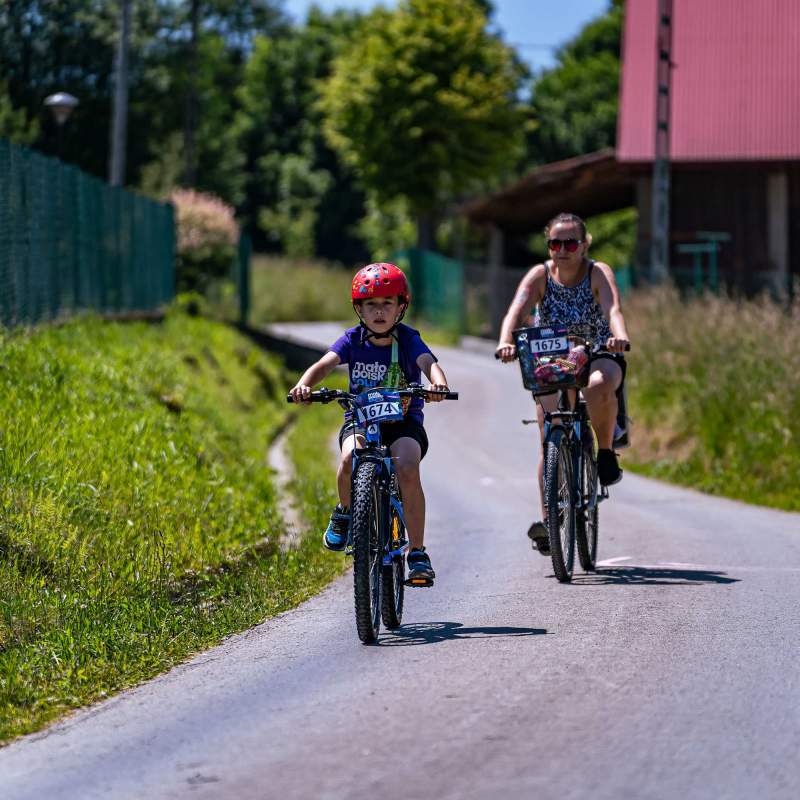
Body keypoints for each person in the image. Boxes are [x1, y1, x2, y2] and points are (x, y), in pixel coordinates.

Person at [289, 262, 450, 585]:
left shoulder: (407, 339)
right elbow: (324, 364)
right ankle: (345, 512)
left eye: (387, 303)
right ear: (359, 309)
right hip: (361, 422)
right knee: (349, 458)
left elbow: (428, 363)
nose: (379, 311)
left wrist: (438, 384)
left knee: (407, 467)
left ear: (401, 307)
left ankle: (417, 552)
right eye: (371, 304)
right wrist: (303, 385)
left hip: (403, 423)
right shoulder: (353, 340)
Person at [494, 212, 630, 556]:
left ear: (585, 245)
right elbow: (516, 311)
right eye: (556, 243)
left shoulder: (597, 272)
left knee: (598, 385)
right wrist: (505, 341)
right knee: (549, 434)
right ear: (548, 245)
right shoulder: (539, 275)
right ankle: (549, 520)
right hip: (552, 358)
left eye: (571, 243)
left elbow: (613, 309)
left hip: (598, 350)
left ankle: (604, 453)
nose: (563, 250)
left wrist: (619, 336)